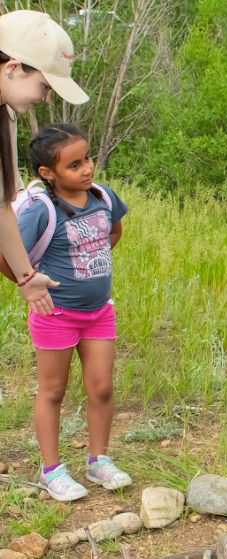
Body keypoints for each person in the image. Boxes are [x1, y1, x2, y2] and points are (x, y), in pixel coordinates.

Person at [21, 124, 131, 500]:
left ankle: (98, 459)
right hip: (56, 313)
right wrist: (28, 284)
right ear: (48, 174)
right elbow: (9, 255)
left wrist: (88, 263)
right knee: (53, 390)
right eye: (74, 165)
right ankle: (50, 471)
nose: (86, 168)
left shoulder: (102, 195)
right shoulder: (42, 210)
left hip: (99, 312)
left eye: (87, 158)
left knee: (101, 387)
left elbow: (112, 233)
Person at [0, 10, 89, 312]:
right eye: (46, 86)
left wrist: (27, 279)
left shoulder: (6, 114)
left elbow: (2, 207)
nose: (47, 99)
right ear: (12, 67)